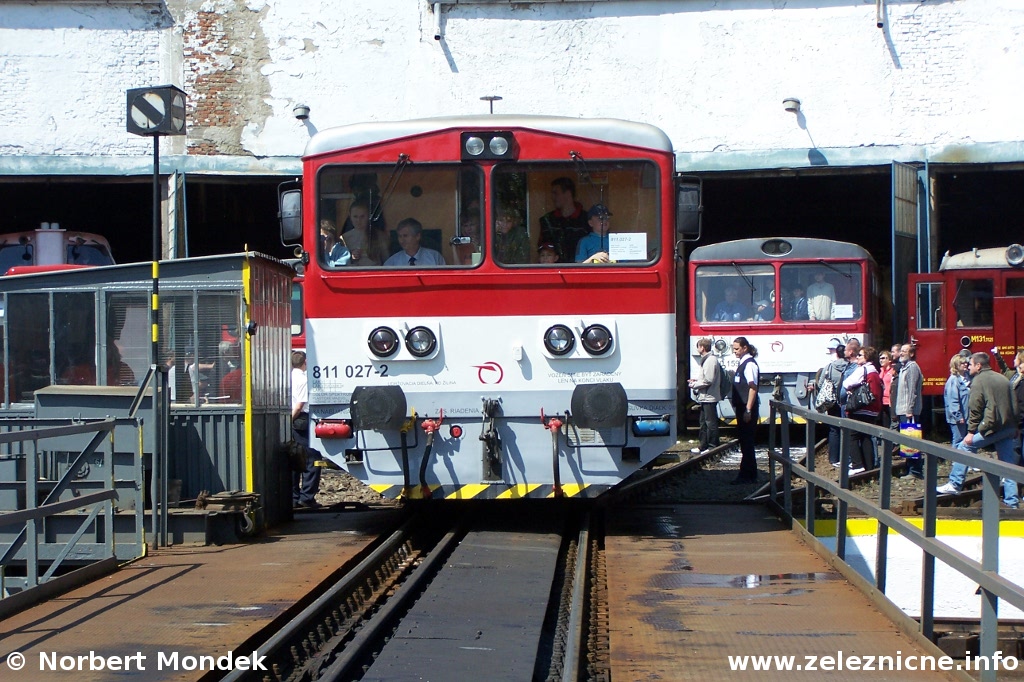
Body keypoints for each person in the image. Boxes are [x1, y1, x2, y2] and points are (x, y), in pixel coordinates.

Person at [938, 352, 1020, 508]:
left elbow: (975, 408)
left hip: (992, 427)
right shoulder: (1003, 379)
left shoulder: (978, 381)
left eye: (970, 364)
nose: (968, 367)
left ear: (978, 365)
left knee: (964, 446)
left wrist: (971, 432)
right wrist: (1015, 426)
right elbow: (1014, 405)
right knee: (1008, 466)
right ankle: (1012, 502)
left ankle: (955, 484)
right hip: (1008, 428)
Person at [842, 346, 882, 473]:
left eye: (860, 355)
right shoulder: (875, 371)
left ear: (867, 357)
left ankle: (857, 464)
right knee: (866, 437)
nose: (857, 357)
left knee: (852, 436)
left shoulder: (863, 369)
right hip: (872, 409)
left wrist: (851, 389)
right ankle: (869, 466)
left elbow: (847, 383)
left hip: (861, 408)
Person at [291, 350, 322, 509]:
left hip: (293, 420)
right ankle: (307, 497)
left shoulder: (288, 377)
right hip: (301, 419)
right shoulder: (303, 380)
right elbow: (299, 405)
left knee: (294, 458)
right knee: (312, 458)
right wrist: (291, 419)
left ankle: (293, 497)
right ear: (305, 362)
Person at [730, 336, 760, 485]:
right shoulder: (743, 363)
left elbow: (753, 387)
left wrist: (748, 409)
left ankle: (747, 475)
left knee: (747, 441)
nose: (734, 351)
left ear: (745, 348)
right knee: (744, 441)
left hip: (746, 407)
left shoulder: (749, 365)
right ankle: (748, 473)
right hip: (742, 406)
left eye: (737, 349)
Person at [538, 177, 589, 263]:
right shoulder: (547, 221)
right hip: (554, 270)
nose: (552, 197)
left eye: (556, 193)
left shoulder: (586, 220)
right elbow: (542, 250)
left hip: (580, 269)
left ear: (568, 194)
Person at [895, 343, 924, 479]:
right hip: (902, 409)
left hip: (908, 410)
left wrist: (910, 408)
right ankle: (909, 468)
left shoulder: (912, 367)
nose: (901, 353)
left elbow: (913, 390)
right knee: (906, 441)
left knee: (912, 440)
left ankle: (915, 471)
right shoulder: (903, 367)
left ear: (911, 354)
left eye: (904, 351)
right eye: (901, 351)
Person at [688, 338, 722, 455]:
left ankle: (713, 446)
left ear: (702, 347)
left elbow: (708, 380)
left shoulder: (710, 360)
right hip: (705, 396)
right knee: (703, 422)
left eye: (698, 347)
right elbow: (705, 378)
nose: (697, 349)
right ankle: (703, 445)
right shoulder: (707, 359)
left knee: (710, 422)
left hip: (709, 396)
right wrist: (696, 381)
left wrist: (694, 385)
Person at [343, 199, 389, 266]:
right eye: (355, 216)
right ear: (350, 216)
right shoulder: (344, 238)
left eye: (362, 216)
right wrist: (350, 257)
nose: (358, 220)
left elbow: (387, 260)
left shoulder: (380, 236)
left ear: (368, 216)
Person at [943, 353, 971, 450]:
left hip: (966, 416)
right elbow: (953, 401)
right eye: (962, 363)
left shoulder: (967, 378)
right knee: (958, 440)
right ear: (956, 366)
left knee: (965, 440)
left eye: (966, 362)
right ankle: (954, 459)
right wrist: (958, 416)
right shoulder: (953, 380)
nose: (965, 364)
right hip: (957, 418)